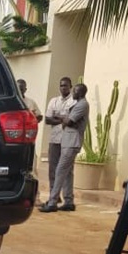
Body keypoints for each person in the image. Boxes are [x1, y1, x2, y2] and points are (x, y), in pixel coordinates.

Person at [39, 83, 90, 213]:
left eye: (75, 91)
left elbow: (69, 121)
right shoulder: (78, 104)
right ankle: (69, 201)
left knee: (60, 171)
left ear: (80, 93)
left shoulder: (82, 104)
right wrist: (63, 118)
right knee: (67, 172)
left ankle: (52, 202)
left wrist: (60, 117)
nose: (73, 93)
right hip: (67, 141)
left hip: (72, 142)